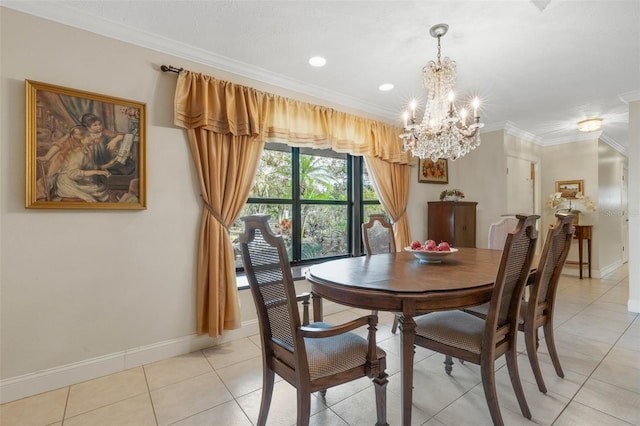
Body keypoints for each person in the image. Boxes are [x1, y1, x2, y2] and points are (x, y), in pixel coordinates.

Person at [50, 125, 111, 202]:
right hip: (68, 183)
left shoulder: (86, 150)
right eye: (88, 136)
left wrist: (110, 164)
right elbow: (72, 173)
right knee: (96, 192)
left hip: (77, 180)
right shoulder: (78, 152)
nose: (92, 137)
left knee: (100, 188)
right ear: (81, 139)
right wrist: (97, 172)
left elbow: (91, 167)